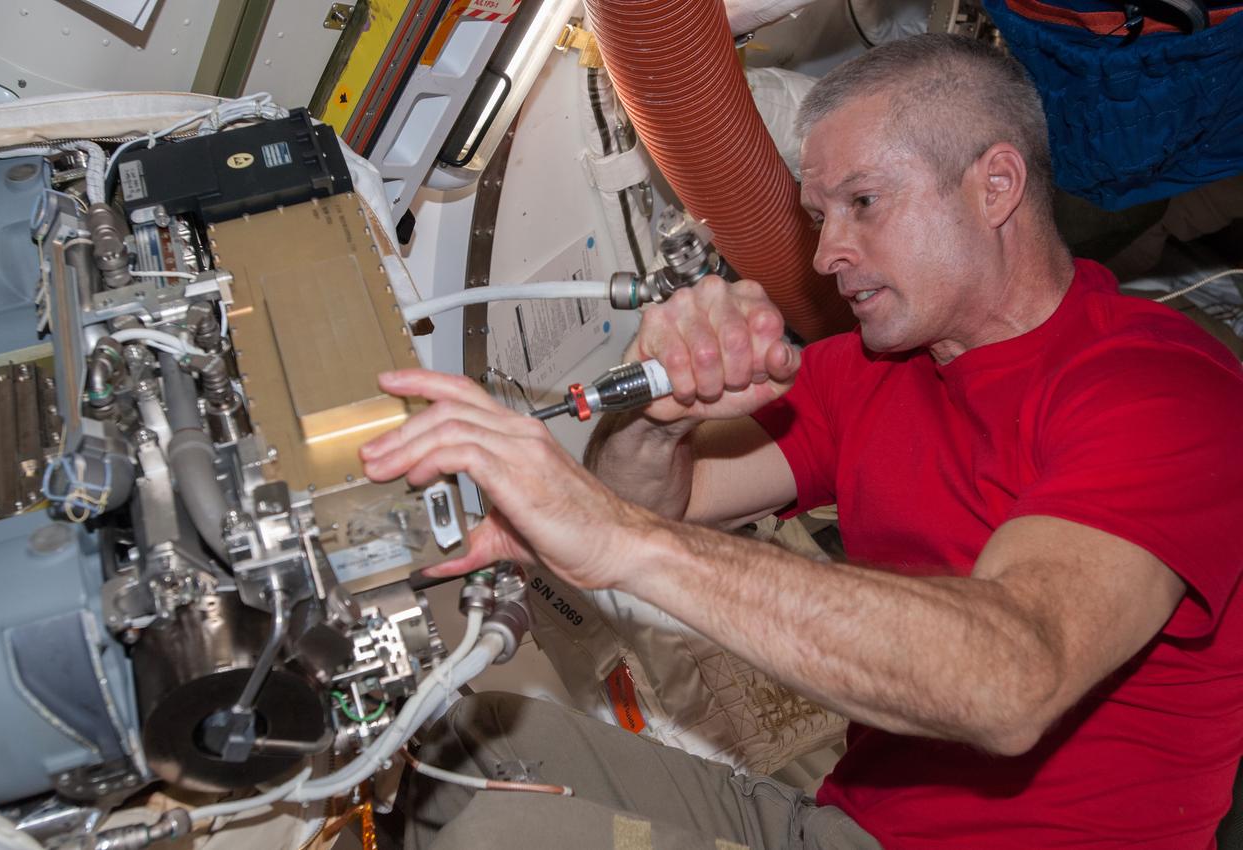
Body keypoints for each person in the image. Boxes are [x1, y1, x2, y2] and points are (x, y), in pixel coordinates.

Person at [360, 33, 1243, 849]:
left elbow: (1013, 681)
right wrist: (662, 421)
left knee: (504, 841)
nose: (826, 257)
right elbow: (646, 501)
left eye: (863, 203)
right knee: (441, 742)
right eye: (822, 216)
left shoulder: (1162, 389)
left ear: (996, 185)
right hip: (840, 825)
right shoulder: (870, 371)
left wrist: (621, 540)